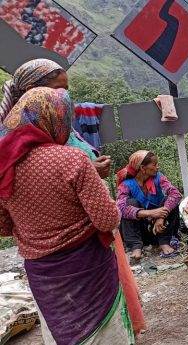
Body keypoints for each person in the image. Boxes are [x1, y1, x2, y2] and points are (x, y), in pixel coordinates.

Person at [0, 87, 133, 344]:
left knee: (61, 333)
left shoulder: (5, 166)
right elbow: (107, 220)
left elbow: (4, 227)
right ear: (56, 118)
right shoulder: (72, 159)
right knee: (104, 334)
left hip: (42, 273)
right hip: (88, 265)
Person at [0, 58, 112, 179]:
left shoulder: (62, 130)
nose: (64, 96)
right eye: (57, 89)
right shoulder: (17, 140)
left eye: (65, 90)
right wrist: (88, 172)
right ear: (32, 91)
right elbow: (36, 179)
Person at [116, 150, 183, 263]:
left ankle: (164, 242)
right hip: (140, 230)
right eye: (154, 164)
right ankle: (135, 247)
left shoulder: (159, 178)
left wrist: (161, 216)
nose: (157, 167)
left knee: (170, 201)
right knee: (130, 203)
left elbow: (176, 194)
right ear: (143, 168)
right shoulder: (126, 185)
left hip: (158, 228)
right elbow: (120, 208)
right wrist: (151, 213)